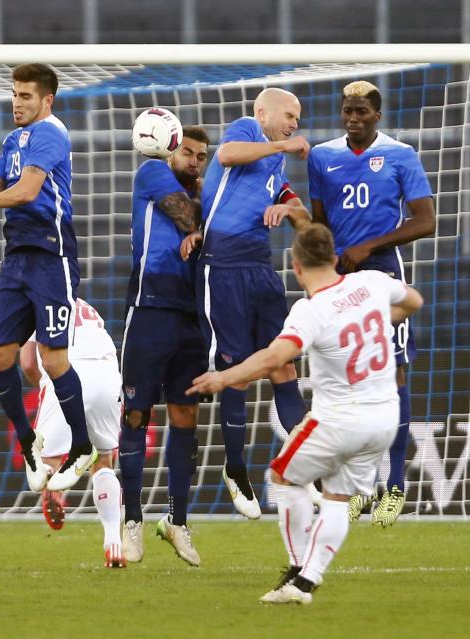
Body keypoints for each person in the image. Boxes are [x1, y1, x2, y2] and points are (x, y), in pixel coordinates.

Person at [187, 224, 423, 605]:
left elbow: (274, 358)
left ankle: (297, 569)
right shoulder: (373, 282)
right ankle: (307, 582)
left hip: (340, 420)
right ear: (334, 259)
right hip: (384, 419)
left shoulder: (311, 309)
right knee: (338, 496)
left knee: (282, 476)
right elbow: (414, 301)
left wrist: (223, 377)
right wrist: (378, 319)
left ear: (296, 267)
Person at [0, 63, 96, 493]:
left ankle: (82, 446)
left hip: (51, 256)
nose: (17, 102)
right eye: (14, 94)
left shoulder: (52, 132)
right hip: (16, 258)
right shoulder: (15, 139)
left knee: (53, 360)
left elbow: (27, 192)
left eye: (26, 95)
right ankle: (30, 443)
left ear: (47, 100)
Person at [307, 80, 435, 527]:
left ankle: (395, 486)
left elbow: (426, 220)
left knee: (392, 368)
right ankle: (358, 488)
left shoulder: (401, 154)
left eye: (362, 111)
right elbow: (320, 221)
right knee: (346, 373)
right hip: (340, 274)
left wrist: (369, 246)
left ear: (377, 115)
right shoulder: (323, 156)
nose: (353, 118)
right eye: (347, 110)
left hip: (384, 271)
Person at [183, 88, 312, 520]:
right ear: (263, 112)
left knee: (283, 363)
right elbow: (228, 155)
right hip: (221, 265)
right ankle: (235, 469)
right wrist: (281, 143)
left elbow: (300, 211)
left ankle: (300, 467)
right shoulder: (247, 130)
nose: (295, 124)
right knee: (235, 368)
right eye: (290, 115)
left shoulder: (276, 162)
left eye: (297, 119)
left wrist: (289, 211)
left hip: (259, 265)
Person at [119, 127, 210, 566]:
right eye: (187, 153)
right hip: (150, 307)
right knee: (136, 414)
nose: (194, 161)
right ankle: (132, 519)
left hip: (193, 316)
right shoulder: (153, 172)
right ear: (172, 153)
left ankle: (177, 520)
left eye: (201, 156)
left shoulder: (204, 192)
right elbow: (186, 217)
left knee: (185, 416)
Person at [19, 298, 124, 567]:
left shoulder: (38, 299)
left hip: (69, 367)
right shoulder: (85, 306)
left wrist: (49, 385)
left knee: (45, 457)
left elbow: (29, 363)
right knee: (104, 460)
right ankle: (113, 542)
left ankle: (54, 485)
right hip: (107, 371)